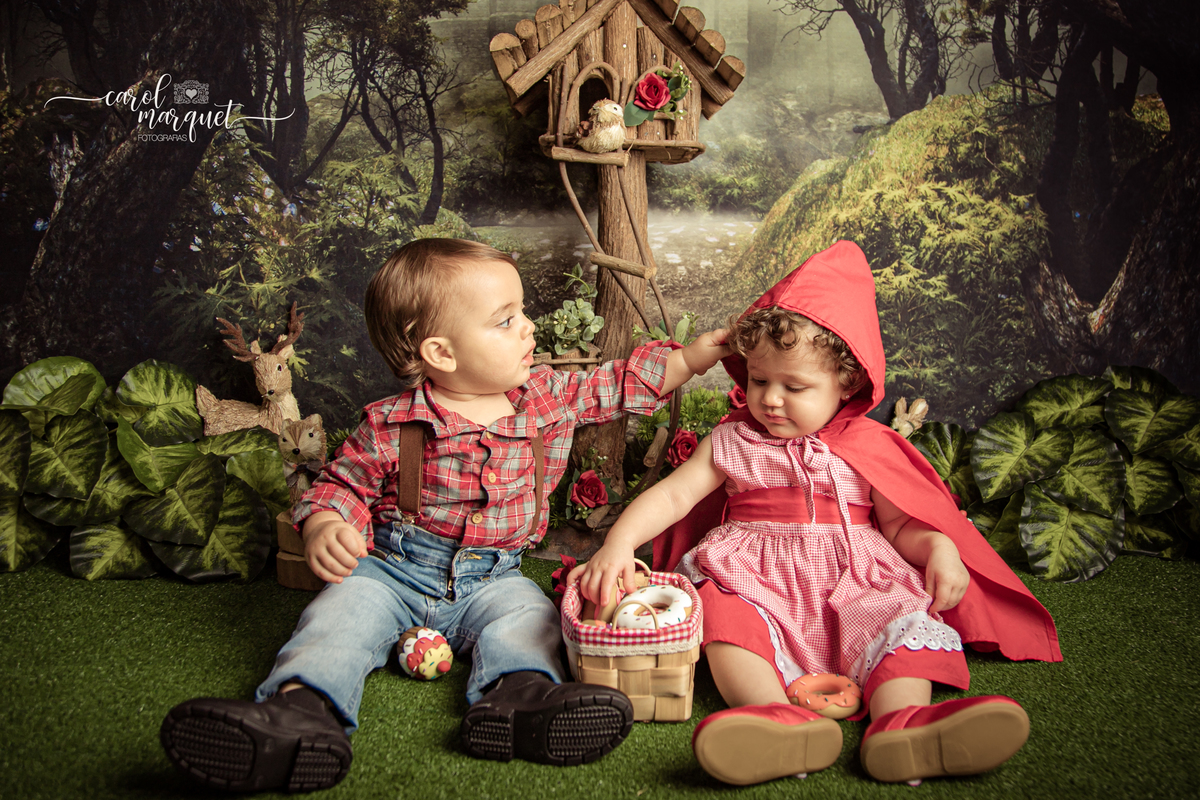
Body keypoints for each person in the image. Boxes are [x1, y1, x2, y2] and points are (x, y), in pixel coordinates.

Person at [159, 238, 730, 792]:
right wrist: (326, 524)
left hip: (495, 577)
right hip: (392, 571)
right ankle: (299, 713)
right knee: (336, 620)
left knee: (530, 620)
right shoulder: (392, 423)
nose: (529, 326)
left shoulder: (546, 396)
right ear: (441, 353)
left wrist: (695, 356)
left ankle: (521, 700)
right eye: (506, 320)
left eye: (522, 311)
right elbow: (341, 485)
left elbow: (618, 384)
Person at [571, 240, 1062, 786]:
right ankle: (774, 720)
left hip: (857, 578)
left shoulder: (867, 445)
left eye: (794, 386)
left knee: (904, 621)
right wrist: (619, 542)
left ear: (846, 383)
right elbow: (672, 497)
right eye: (759, 380)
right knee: (728, 623)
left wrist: (941, 549)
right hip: (754, 577)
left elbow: (901, 525)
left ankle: (904, 725)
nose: (771, 399)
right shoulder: (733, 440)